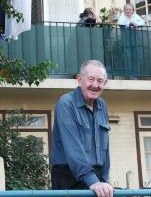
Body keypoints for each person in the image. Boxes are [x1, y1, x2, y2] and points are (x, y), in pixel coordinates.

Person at [50, 60, 114, 197]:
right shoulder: (66, 103)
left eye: (100, 81)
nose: (95, 85)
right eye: (91, 79)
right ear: (79, 80)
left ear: (105, 83)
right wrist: (93, 181)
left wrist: (104, 181)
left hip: (94, 177)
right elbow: (73, 149)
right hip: (68, 177)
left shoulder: (102, 105)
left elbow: (105, 149)